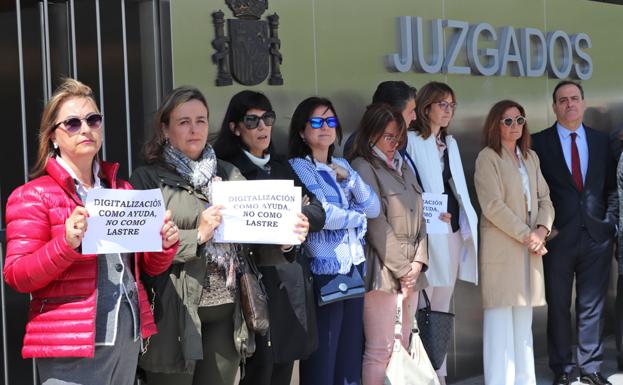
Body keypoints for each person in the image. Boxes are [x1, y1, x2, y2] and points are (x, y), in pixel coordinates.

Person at [3, 78, 178, 385]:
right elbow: (17, 275)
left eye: (93, 119)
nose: (85, 128)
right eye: (72, 123)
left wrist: (163, 245)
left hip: (126, 335)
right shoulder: (32, 195)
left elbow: (147, 267)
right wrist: (65, 244)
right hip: (71, 343)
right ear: (53, 137)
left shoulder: (122, 188)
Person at [130, 86, 247, 385]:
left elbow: (255, 235)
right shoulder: (146, 179)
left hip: (226, 311)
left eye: (201, 120)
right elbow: (139, 244)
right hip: (173, 314)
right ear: (165, 130)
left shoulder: (230, 173)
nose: (194, 129)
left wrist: (285, 238)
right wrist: (198, 234)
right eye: (184, 122)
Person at [212, 90, 324, 385]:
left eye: (267, 118)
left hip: (287, 281)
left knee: (283, 369)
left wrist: (299, 223)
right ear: (235, 127)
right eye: (252, 121)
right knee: (258, 371)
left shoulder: (282, 166)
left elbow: (317, 211)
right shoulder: (226, 169)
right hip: (250, 282)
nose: (262, 127)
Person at [288, 96, 380, 385]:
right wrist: (357, 218)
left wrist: (351, 179)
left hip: (352, 268)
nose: (325, 127)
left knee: (349, 356)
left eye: (330, 121)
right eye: (316, 122)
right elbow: (323, 215)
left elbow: (374, 206)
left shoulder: (341, 164)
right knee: (324, 358)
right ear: (302, 132)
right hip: (323, 272)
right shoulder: (300, 167)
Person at [532, 80, 618, 385]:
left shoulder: (600, 140)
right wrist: (543, 227)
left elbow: (610, 187)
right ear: (554, 107)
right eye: (563, 100)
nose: (569, 104)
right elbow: (532, 191)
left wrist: (608, 222)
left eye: (574, 98)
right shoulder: (538, 143)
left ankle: (591, 366)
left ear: (582, 103)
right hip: (557, 238)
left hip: (596, 235)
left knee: (591, 304)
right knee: (558, 305)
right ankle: (563, 369)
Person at [474, 100, 555, 385]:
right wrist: (528, 235)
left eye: (519, 120)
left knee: (523, 326)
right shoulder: (488, 157)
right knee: (499, 325)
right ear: (495, 124)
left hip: (530, 247)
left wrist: (542, 230)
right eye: (507, 121)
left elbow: (545, 198)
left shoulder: (530, 157)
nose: (514, 126)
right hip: (503, 247)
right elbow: (492, 205)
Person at [403, 81, 478, 384]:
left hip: (451, 229)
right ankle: (419, 373)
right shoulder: (411, 140)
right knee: (422, 305)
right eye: (442, 104)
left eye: (452, 105)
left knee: (441, 307)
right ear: (426, 108)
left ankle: (439, 372)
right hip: (425, 232)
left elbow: (455, 188)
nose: (448, 110)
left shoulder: (452, 143)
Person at [349, 103, 428, 385]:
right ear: (371, 135)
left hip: (412, 271)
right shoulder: (363, 166)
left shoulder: (403, 165)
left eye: (399, 137)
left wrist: (418, 263)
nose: (395, 144)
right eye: (389, 137)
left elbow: (421, 215)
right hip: (382, 269)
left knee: (403, 344)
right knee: (380, 349)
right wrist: (403, 269)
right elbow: (376, 223)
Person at [343, 80, 417, 157]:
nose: (414, 117)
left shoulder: (401, 139)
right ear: (392, 113)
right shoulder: (357, 144)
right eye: (411, 111)